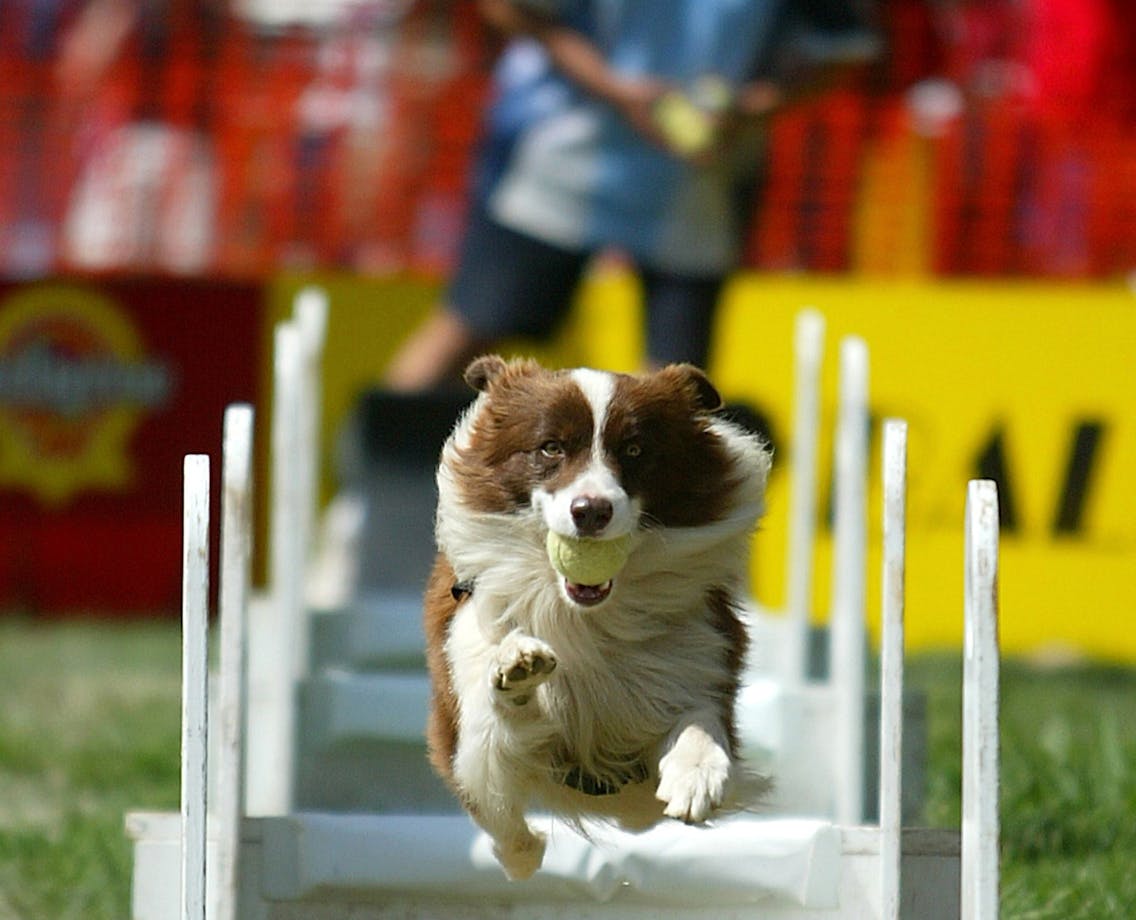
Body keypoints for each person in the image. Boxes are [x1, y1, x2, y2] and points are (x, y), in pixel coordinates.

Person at [383, 0, 878, 390]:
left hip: (699, 184)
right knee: (465, 332)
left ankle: (637, 516)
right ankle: (364, 490)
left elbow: (844, 48)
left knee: (672, 388)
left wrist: (749, 107)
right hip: (560, 156)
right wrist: (614, 87)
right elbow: (506, 7)